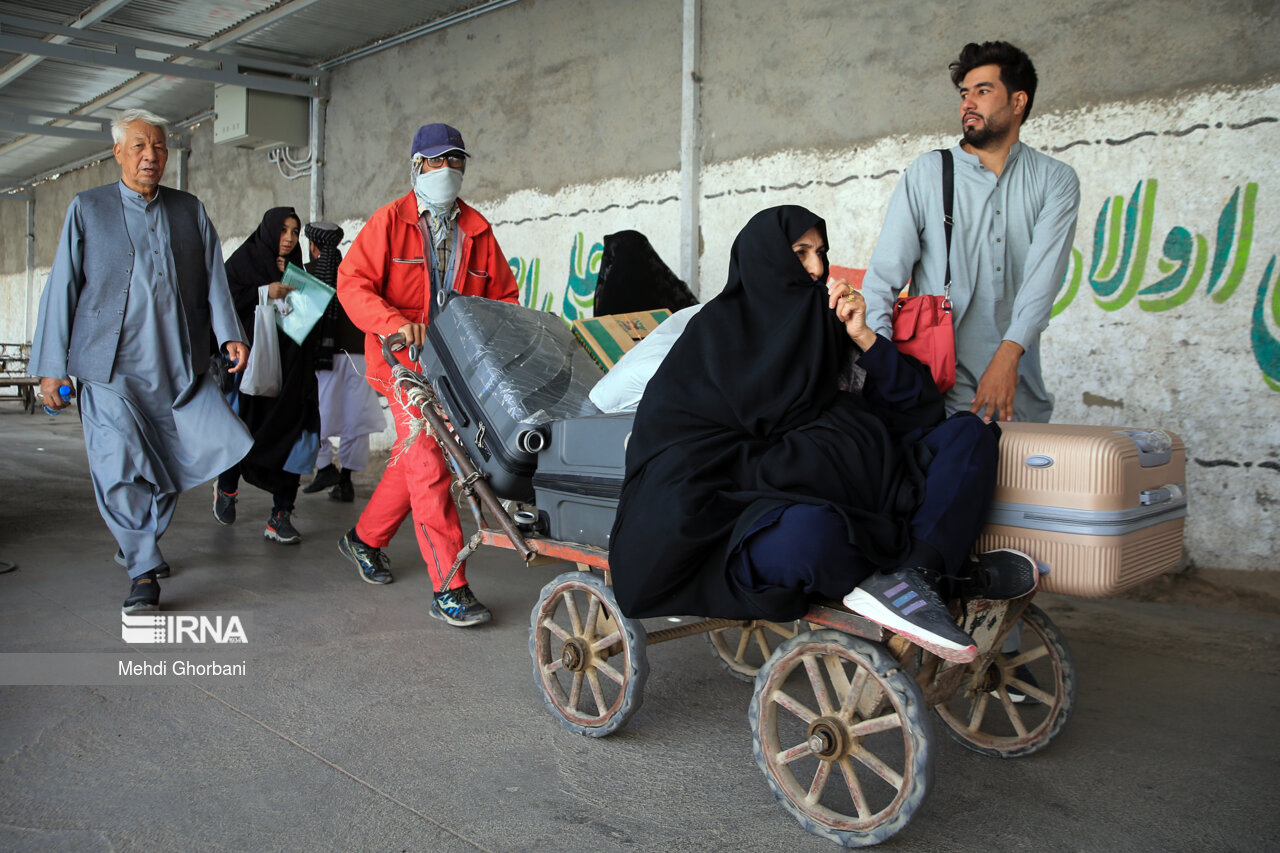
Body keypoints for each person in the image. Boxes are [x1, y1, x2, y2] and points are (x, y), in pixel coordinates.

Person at [609, 206, 1035, 664]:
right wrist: (826, 457)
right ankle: (939, 574)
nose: (816, 268)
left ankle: (917, 575)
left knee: (969, 435)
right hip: (757, 509)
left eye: (821, 253)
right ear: (766, 259)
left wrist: (865, 338)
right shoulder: (714, 339)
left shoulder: (830, 326)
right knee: (812, 536)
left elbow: (919, 411)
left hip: (871, 485)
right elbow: (682, 456)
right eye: (801, 252)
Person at [30, 108, 252, 613]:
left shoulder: (189, 209)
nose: (150, 156)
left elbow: (215, 275)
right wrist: (51, 365)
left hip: (177, 364)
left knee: (167, 465)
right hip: (108, 368)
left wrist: (229, 334)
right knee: (116, 464)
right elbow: (61, 287)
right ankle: (143, 568)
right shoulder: (87, 209)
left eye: (158, 147)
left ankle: (140, 539)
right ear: (117, 152)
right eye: (138, 146)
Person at [336, 122, 519, 627]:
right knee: (428, 463)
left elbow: (503, 297)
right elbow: (351, 284)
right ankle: (449, 585)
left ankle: (364, 539)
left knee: (419, 456)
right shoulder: (388, 223)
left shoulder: (477, 231)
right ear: (417, 167)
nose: (446, 171)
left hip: (453, 366)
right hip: (401, 365)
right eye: (436, 162)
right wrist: (394, 324)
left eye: (455, 161)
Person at [861, 40, 1081, 424]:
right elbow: (883, 277)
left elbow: (1042, 281)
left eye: (983, 91)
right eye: (964, 93)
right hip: (935, 394)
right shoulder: (928, 174)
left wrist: (1008, 355)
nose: (967, 103)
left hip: (1016, 394)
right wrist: (884, 366)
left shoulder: (1055, 180)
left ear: (1018, 102)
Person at [213, 207, 321, 544]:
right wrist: (264, 290)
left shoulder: (296, 267)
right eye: (283, 231)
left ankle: (281, 513)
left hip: (292, 372)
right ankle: (227, 488)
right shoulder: (242, 264)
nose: (289, 239)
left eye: (294, 232)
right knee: (242, 431)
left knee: (296, 436)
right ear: (268, 231)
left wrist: (297, 284)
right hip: (252, 370)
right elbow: (222, 302)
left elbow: (309, 318)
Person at [300, 222, 386, 503]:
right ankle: (345, 481)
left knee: (314, 416)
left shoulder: (306, 273)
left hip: (322, 359)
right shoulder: (354, 275)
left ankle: (324, 467)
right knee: (354, 422)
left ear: (313, 247)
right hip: (358, 357)